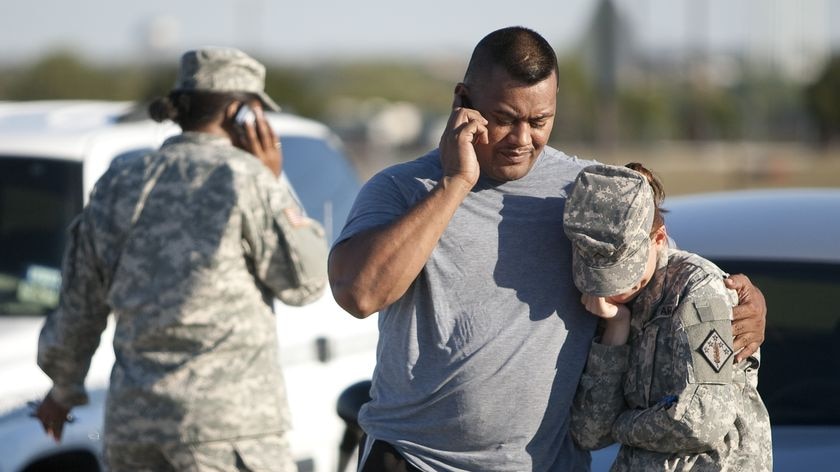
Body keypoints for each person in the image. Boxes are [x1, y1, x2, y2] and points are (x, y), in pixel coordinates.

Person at [328, 26, 767, 471]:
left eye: (539, 121)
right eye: (503, 118)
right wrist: (455, 184)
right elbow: (360, 294)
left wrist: (741, 300)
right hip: (412, 460)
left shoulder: (590, 193)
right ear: (463, 101)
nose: (522, 139)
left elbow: (662, 280)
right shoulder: (403, 189)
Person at [35, 47, 328, 472]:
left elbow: (79, 305)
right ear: (240, 114)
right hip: (226, 432)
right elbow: (307, 282)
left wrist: (62, 391)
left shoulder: (119, 182)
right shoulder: (248, 179)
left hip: (134, 430)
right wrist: (274, 179)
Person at [565, 163, 772, 471]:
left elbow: (702, 420)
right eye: (605, 278)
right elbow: (589, 431)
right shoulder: (611, 303)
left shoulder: (700, 292)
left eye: (625, 271)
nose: (617, 287)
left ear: (659, 238)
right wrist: (616, 329)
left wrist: (621, 425)